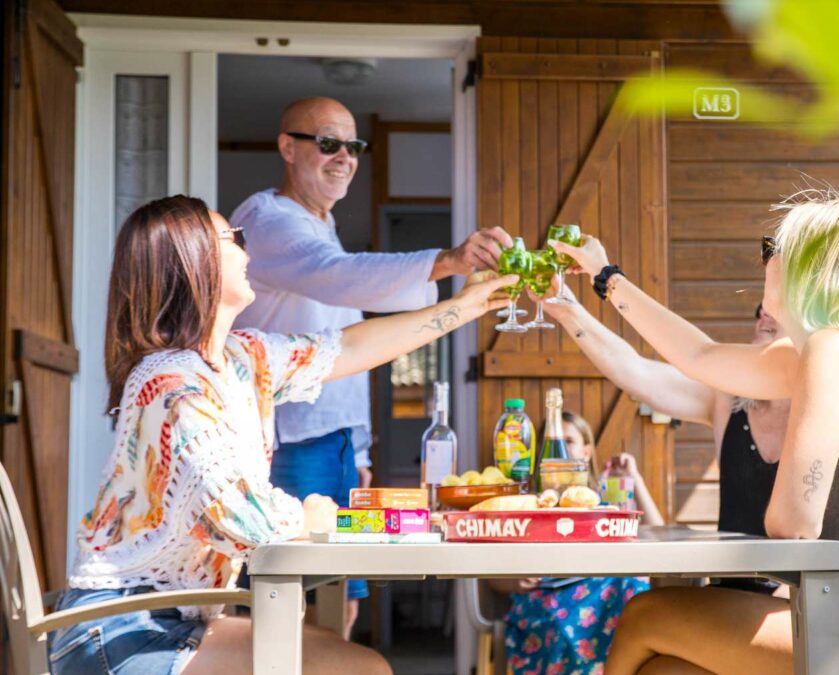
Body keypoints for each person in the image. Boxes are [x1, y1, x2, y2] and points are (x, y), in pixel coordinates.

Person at [48, 195, 512, 675]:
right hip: (117, 632)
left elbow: (347, 347)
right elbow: (245, 518)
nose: (248, 253)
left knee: (347, 655)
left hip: (176, 617)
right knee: (360, 669)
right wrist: (336, 516)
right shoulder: (173, 385)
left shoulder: (240, 360)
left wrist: (463, 308)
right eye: (234, 239)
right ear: (192, 261)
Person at [549, 190, 839, 674]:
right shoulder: (813, 354)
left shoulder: (832, 351)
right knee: (664, 670)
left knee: (647, 613)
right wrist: (606, 278)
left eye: (773, 247)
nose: (765, 259)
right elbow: (700, 357)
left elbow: (793, 525)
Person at [231, 96, 512, 625]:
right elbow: (335, 275)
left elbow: (338, 329)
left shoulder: (320, 221)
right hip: (287, 440)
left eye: (353, 146)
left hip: (333, 438)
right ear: (287, 148)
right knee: (281, 600)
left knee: (346, 597)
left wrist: (356, 446)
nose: (345, 158)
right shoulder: (267, 218)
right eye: (329, 143)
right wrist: (450, 261)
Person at [541, 290, 790, 594]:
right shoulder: (727, 402)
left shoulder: (825, 413)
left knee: (643, 616)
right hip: (731, 598)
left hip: (804, 600)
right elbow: (636, 371)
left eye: (778, 304)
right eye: (760, 308)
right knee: (647, 607)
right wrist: (569, 310)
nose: (763, 310)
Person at [491, 412, 662, 674]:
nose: (559, 450)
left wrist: (634, 478)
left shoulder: (604, 499)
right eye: (551, 443)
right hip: (545, 598)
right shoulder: (527, 503)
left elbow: (659, 534)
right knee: (560, 630)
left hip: (604, 593)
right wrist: (514, 580)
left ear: (586, 451)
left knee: (636, 593)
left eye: (568, 441)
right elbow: (489, 573)